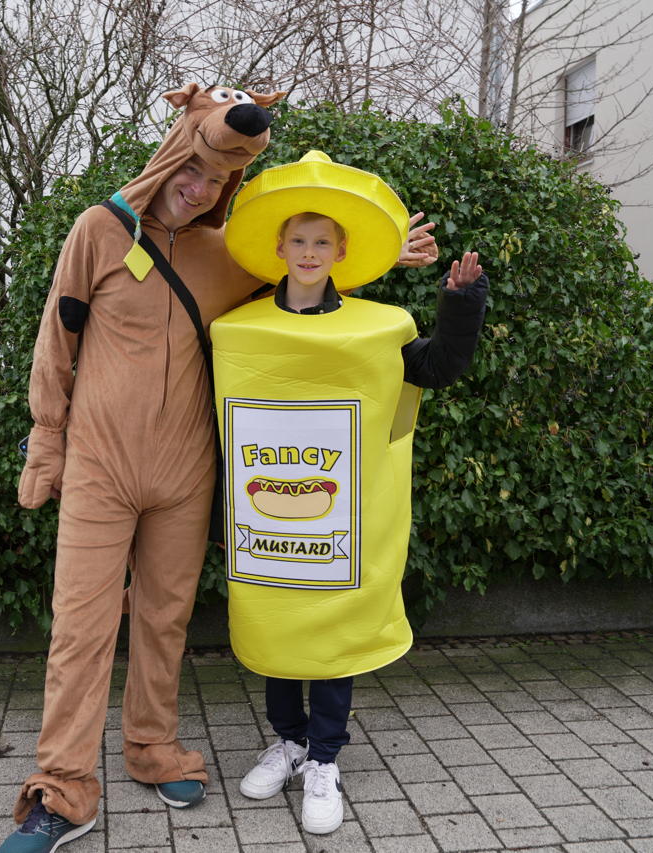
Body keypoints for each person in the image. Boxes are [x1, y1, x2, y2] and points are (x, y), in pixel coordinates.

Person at [1, 88, 437, 853]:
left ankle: (152, 748)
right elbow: (57, 336)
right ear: (172, 154)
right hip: (102, 464)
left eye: (217, 181)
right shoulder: (100, 231)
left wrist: (380, 258)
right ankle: (63, 791)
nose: (200, 189)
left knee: (166, 620)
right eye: (194, 170)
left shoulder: (222, 252)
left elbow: (301, 292)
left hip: (186, 470)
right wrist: (48, 438)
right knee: (81, 626)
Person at [212, 151, 487, 834]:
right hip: (267, 524)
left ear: (341, 251)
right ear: (278, 248)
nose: (309, 252)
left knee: (332, 624)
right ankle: (289, 739)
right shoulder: (236, 329)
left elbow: (438, 366)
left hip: (345, 522)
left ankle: (326, 755)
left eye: (322, 242)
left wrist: (459, 304)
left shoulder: (379, 324)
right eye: (298, 241)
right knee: (279, 615)